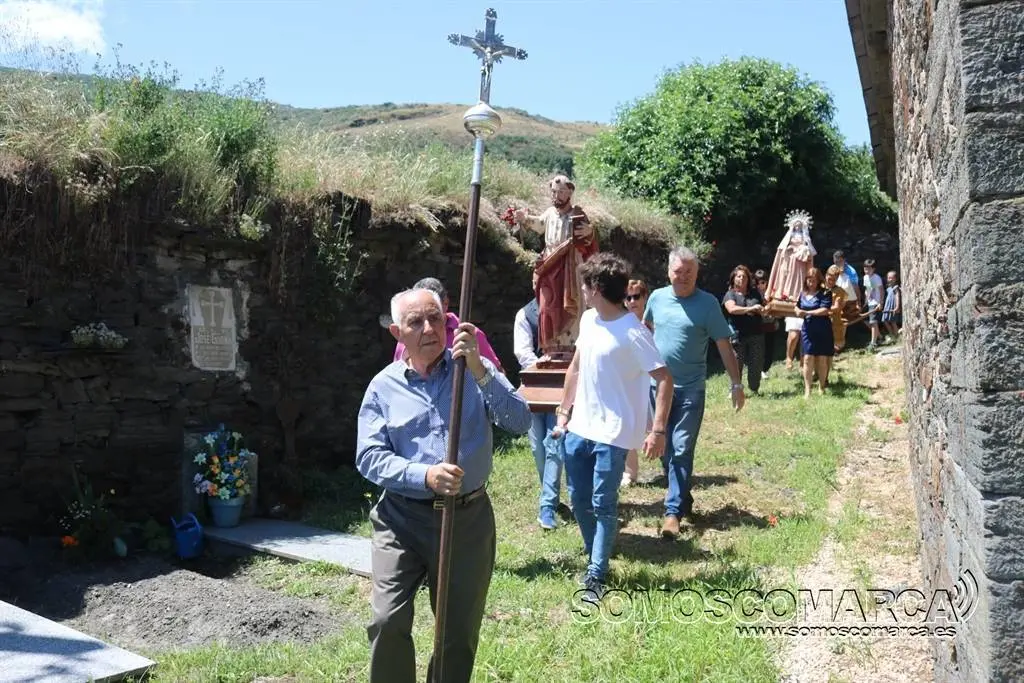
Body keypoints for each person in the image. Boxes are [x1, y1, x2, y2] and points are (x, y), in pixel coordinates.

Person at [356, 288, 532, 683]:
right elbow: (368, 457)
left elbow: (520, 421)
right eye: (415, 322)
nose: (428, 329)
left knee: (457, 631)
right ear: (397, 333)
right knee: (387, 620)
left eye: (435, 318)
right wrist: (424, 475)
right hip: (401, 519)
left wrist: (481, 370)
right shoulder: (383, 387)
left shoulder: (472, 370)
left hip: (466, 519)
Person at [551, 254, 673, 598]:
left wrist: (658, 430)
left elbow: (665, 378)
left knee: (603, 503)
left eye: (585, 286)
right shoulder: (589, 320)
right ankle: (596, 551)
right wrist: (563, 412)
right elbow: (576, 367)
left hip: (614, 433)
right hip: (579, 427)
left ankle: (597, 573)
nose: (582, 292)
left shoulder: (633, 331)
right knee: (579, 500)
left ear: (596, 288)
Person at [643, 246, 745, 539]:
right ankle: (682, 497)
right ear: (669, 272)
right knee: (666, 450)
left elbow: (723, 344)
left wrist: (736, 384)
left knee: (682, 447)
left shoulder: (708, 304)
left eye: (689, 272)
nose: (684, 276)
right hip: (658, 389)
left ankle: (672, 512)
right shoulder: (657, 298)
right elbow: (645, 332)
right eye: (679, 271)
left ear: (697, 273)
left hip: (691, 389)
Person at [513, 275, 573, 529]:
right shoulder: (525, 314)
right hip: (535, 389)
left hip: (561, 389)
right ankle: (551, 495)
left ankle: (546, 506)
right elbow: (522, 352)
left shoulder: (571, 313)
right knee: (538, 449)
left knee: (554, 444)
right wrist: (542, 364)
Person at [514, 175, 599, 354]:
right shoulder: (550, 213)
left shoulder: (577, 214)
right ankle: (550, 346)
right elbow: (539, 224)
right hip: (550, 264)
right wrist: (525, 218)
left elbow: (588, 240)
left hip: (570, 268)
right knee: (547, 305)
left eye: (561, 192)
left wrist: (589, 232)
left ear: (570, 193)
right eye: (554, 192)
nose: (556, 196)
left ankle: (571, 347)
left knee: (571, 304)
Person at [392, 277, 504, 372]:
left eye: (433, 316)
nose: (428, 329)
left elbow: (498, 372)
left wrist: (478, 369)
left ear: (445, 303)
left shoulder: (468, 334)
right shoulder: (407, 336)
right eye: (415, 321)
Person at [621, 278, 652, 487]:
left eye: (636, 296)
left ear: (645, 298)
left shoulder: (652, 324)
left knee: (657, 425)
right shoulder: (622, 325)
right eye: (628, 297)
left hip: (652, 381)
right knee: (629, 426)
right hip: (630, 381)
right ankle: (630, 472)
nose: (632, 301)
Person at [721, 265, 766, 394]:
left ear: (748, 279)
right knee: (736, 364)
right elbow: (731, 309)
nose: (741, 279)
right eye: (739, 276)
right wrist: (750, 309)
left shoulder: (755, 293)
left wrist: (763, 311)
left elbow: (763, 306)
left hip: (756, 334)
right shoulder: (730, 294)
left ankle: (754, 388)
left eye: (744, 276)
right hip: (737, 335)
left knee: (756, 363)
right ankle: (735, 389)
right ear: (733, 279)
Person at [794, 268, 834, 398]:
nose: (811, 283)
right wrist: (797, 310)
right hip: (808, 329)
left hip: (823, 329)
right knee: (807, 358)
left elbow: (824, 310)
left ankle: (821, 387)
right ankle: (807, 390)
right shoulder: (803, 293)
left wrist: (806, 312)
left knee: (822, 359)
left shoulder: (825, 293)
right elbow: (797, 306)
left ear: (819, 280)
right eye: (809, 280)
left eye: (814, 280)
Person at [765, 210, 817, 304]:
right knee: (787, 275)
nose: (797, 227)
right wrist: (789, 248)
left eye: (799, 225)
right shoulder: (790, 235)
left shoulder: (804, 236)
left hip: (800, 260)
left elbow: (808, 245)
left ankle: (798, 293)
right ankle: (786, 293)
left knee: (799, 276)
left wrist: (804, 249)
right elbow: (784, 246)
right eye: (796, 225)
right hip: (790, 258)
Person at [753, 269, 778, 379]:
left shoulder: (772, 293)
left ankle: (764, 369)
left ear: (767, 282)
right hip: (758, 325)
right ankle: (759, 370)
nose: (760, 285)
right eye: (757, 283)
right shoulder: (753, 294)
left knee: (769, 349)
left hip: (770, 325)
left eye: (762, 282)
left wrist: (776, 319)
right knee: (759, 349)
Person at [824, 265, 849, 354]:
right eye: (829, 279)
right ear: (826, 275)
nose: (831, 281)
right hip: (820, 318)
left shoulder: (839, 291)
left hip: (833, 319)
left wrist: (822, 309)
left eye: (834, 280)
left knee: (834, 340)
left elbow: (837, 307)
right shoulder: (820, 288)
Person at [862, 259, 885, 350]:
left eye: (869, 269)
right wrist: (865, 301)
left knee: (873, 322)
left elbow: (881, 291)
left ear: (873, 269)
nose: (867, 270)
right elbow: (867, 289)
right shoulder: (865, 277)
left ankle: (873, 343)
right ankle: (880, 337)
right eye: (865, 268)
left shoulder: (877, 278)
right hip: (869, 302)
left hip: (876, 302)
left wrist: (880, 303)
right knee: (865, 320)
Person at [882, 271, 902, 341]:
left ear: (895, 279)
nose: (889, 279)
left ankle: (896, 335)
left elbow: (897, 296)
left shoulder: (896, 287)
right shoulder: (888, 287)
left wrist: (897, 306)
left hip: (892, 306)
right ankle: (892, 333)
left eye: (891, 278)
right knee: (885, 320)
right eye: (888, 278)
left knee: (893, 321)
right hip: (888, 306)